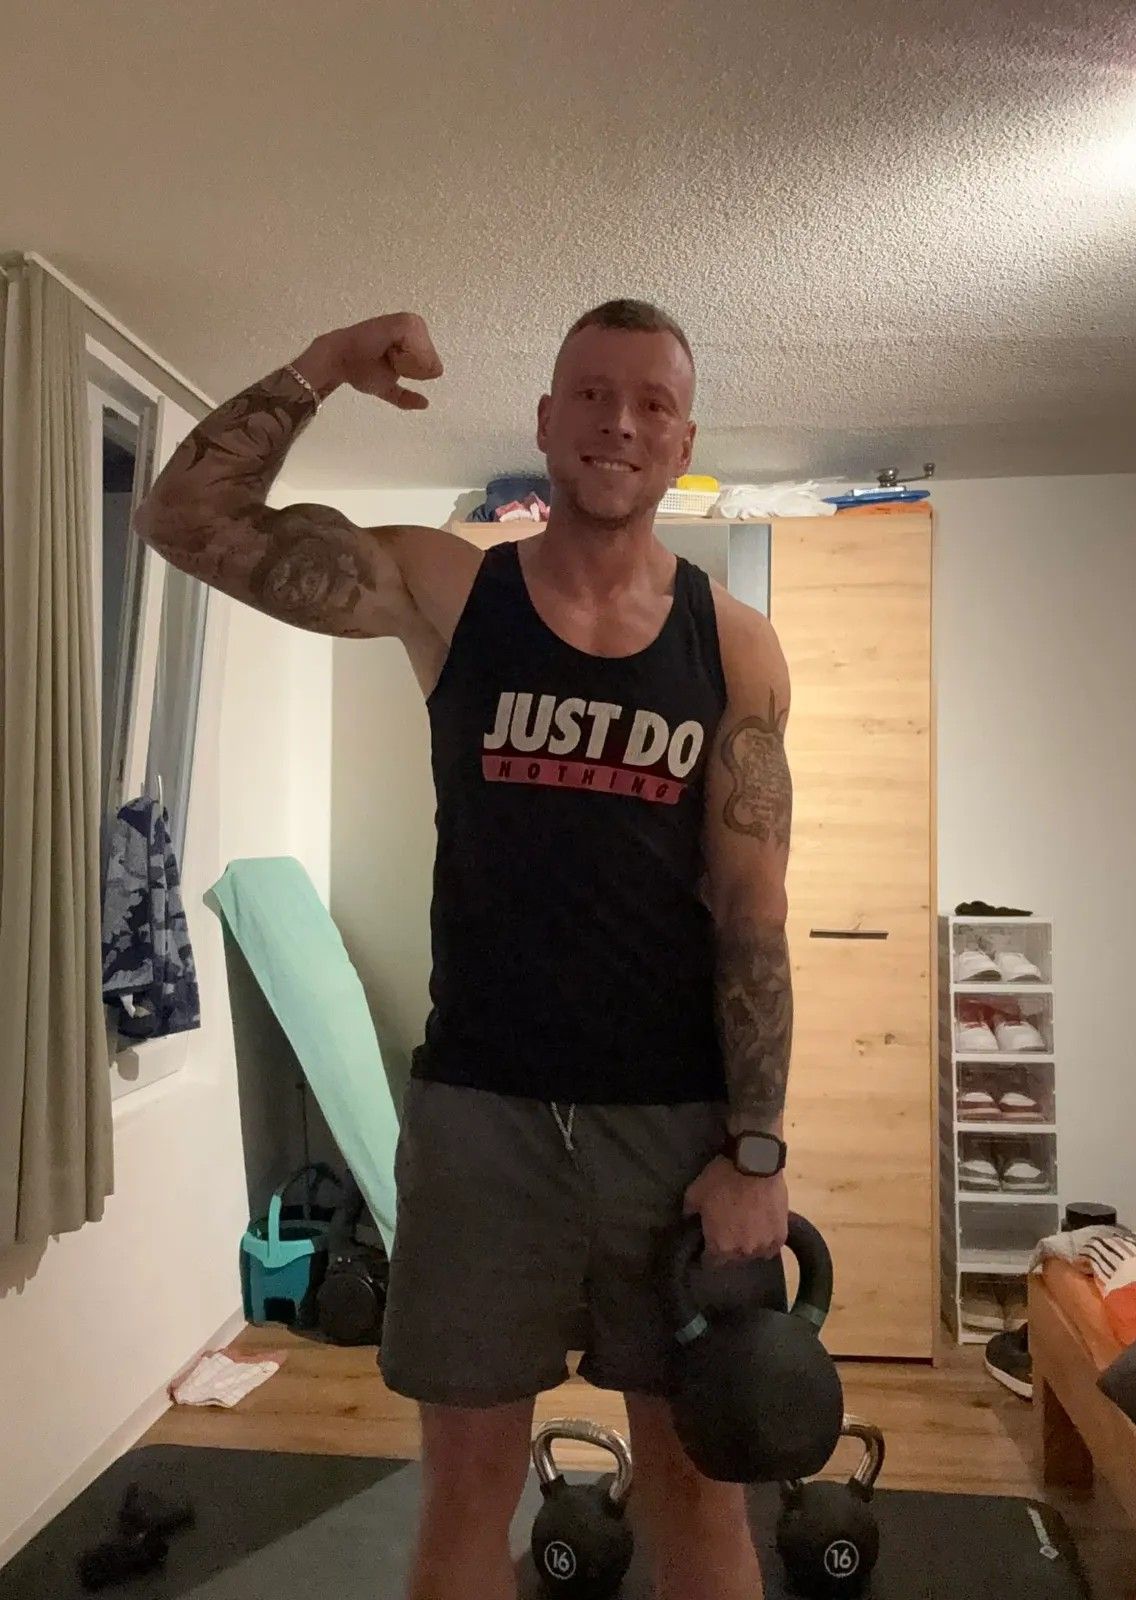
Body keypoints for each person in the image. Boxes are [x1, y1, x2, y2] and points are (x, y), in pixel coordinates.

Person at [134, 299, 796, 1600]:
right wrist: (324, 363)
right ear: (545, 420)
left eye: (652, 402)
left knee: (698, 1486)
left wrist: (756, 1147)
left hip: (673, 1132)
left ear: (684, 442)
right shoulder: (450, 589)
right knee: (469, 1490)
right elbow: (185, 520)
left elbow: (752, 910)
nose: (619, 421)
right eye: (591, 393)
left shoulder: (731, 644)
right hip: (480, 1124)